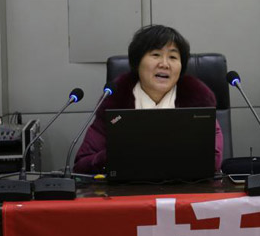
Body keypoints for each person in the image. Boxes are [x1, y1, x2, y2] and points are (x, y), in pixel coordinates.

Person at [73, 24, 223, 174]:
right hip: (127, 187)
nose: (164, 64)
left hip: (186, 187)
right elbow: (82, 165)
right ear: (137, 62)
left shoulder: (197, 103)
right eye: (156, 55)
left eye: (172, 57)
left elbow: (213, 160)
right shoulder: (115, 103)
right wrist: (114, 155)